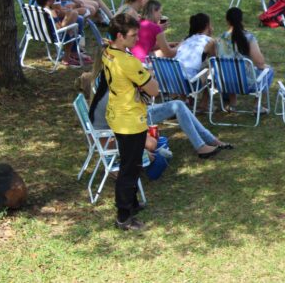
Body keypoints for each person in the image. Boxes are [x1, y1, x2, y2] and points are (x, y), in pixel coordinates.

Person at [89, 68, 231, 160]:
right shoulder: (113, 96)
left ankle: (208, 141)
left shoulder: (112, 86)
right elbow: (126, 125)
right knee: (153, 142)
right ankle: (203, 145)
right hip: (112, 134)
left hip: (133, 116)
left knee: (178, 105)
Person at [102, 14, 160, 231]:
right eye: (133, 35)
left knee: (131, 163)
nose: (137, 39)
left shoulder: (108, 52)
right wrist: (147, 75)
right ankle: (124, 216)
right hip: (129, 120)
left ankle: (132, 202)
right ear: (120, 36)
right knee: (130, 167)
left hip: (117, 114)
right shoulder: (128, 62)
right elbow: (153, 89)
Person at [217, 7, 274, 108]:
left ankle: (232, 102)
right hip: (246, 84)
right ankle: (257, 105)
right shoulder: (248, 37)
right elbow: (260, 63)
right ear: (241, 20)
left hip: (226, 82)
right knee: (269, 70)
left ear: (227, 21)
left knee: (229, 68)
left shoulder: (220, 39)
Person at [34, 0, 89, 66]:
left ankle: (73, 53)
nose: (54, 1)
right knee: (74, 18)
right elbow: (59, 28)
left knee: (76, 18)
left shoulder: (38, 8)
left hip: (44, 34)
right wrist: (69, 18)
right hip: (56, 36)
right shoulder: (51, 11)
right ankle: (66, 58)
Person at [176, 12, 216, 79]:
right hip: (188, 81)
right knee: (209, 71)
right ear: (207, 26)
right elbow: (214, 61)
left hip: (172, 75)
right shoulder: (209, 41)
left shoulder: (186, 39)